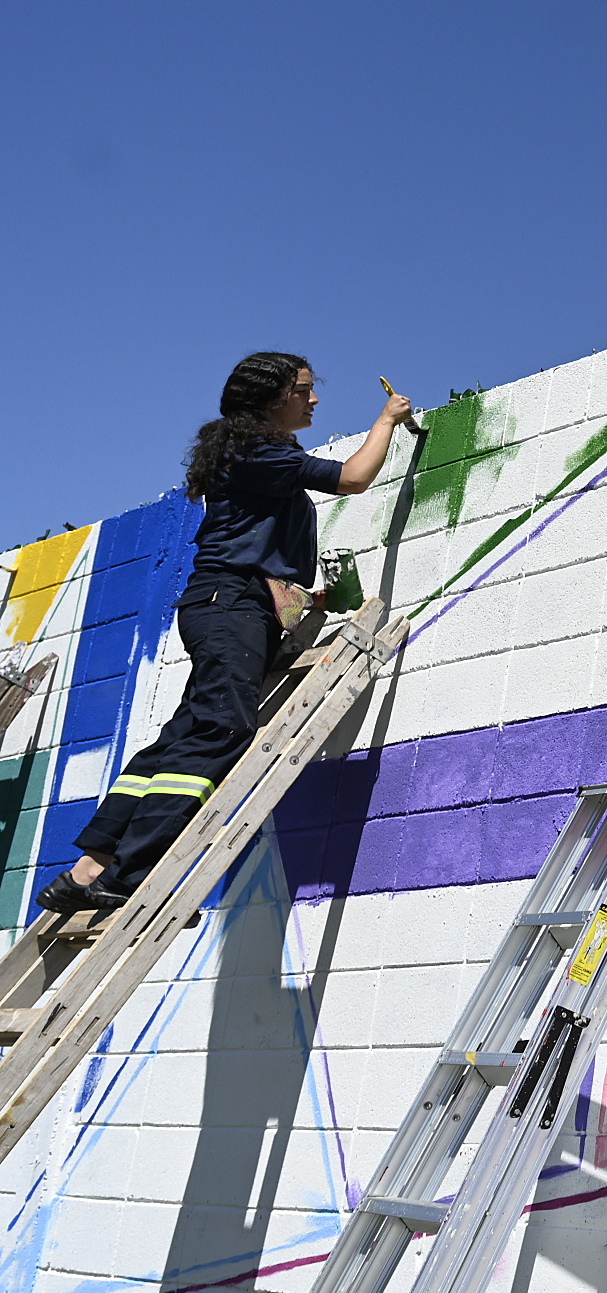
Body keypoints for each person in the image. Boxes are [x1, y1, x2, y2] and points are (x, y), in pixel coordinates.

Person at [38, 352, 413, 912]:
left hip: (226, 605)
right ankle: (131, 873)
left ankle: (90, 867)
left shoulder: (249, 456)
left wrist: (307, 599)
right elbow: (354, 478)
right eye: (304, 390)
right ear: (272, 397)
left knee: (181, 739)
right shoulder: (264, 451)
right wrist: (386, 419)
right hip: (230, 606)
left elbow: (246, 554)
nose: (313, 399)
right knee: (223, 730)